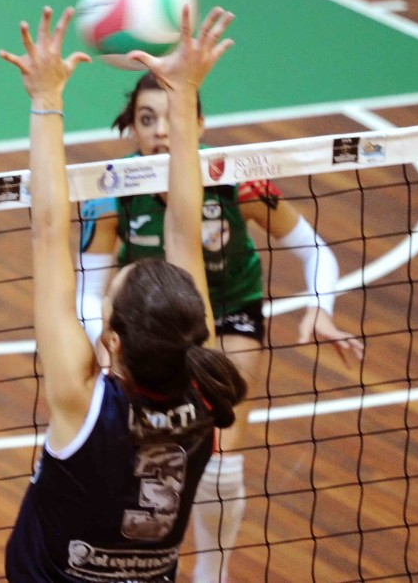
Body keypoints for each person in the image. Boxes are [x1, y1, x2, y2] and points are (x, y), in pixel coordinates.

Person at [78, 73, 364, 582]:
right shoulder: (110, 190)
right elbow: (90, 288)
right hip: (151, 325)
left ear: (200, 124)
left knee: (220, 464)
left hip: (230, 312)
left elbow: (314, 249)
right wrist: (99, 343)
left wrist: (322, 306)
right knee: (143, 461)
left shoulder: (235, 178)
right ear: (133, 129)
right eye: (147, 119)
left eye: (173, 117)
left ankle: (213, 575)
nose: (160, 130)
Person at [0, 3, 246, 582]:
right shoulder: (204, 392)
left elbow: (48, 230)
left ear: (110, 340)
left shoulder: (84, 405)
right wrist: (183, 94)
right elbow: (185, 230)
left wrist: (46, 99)